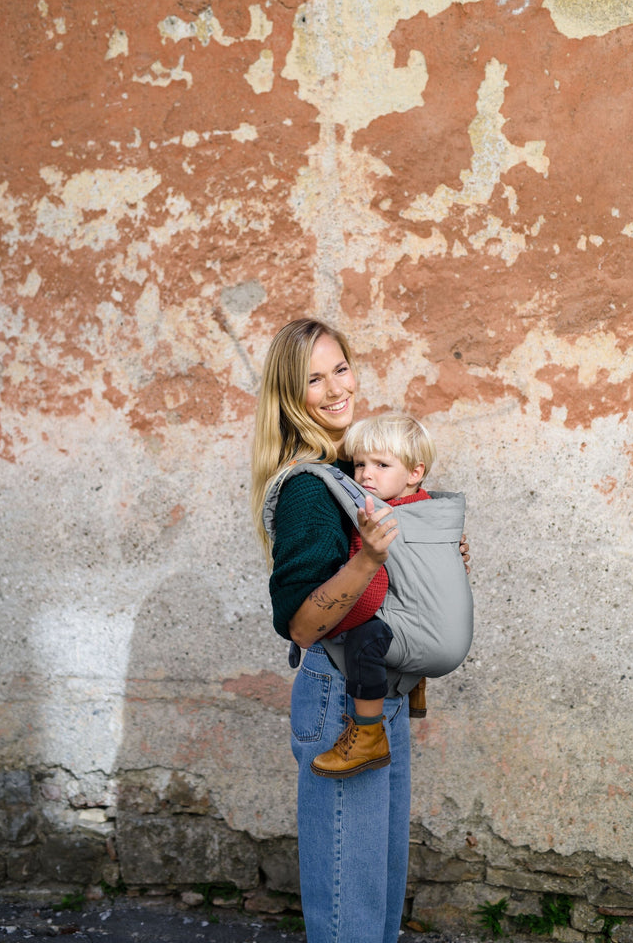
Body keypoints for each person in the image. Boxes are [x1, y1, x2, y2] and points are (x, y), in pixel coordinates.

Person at [251, 318, 470, 943]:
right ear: (290, 396)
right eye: (313, 379)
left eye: (340, 369)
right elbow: (301, 622)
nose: (334, 388)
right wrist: (370, 560)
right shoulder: (306, 489)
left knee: (376, 904)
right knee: (350, 909)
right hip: (341, 698)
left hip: (379, 695)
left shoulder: (354, 470)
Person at [310, 412, 437, 780]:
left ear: (414, 473)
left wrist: (330, 626)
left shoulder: (378, 516)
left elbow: (371, 593)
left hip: (405, 626)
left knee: (364, 638)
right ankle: (415, 686)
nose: (366, 475)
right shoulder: (426, 507)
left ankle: (367, 732)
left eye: (382, 464)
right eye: (360, 464)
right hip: (426, 621)